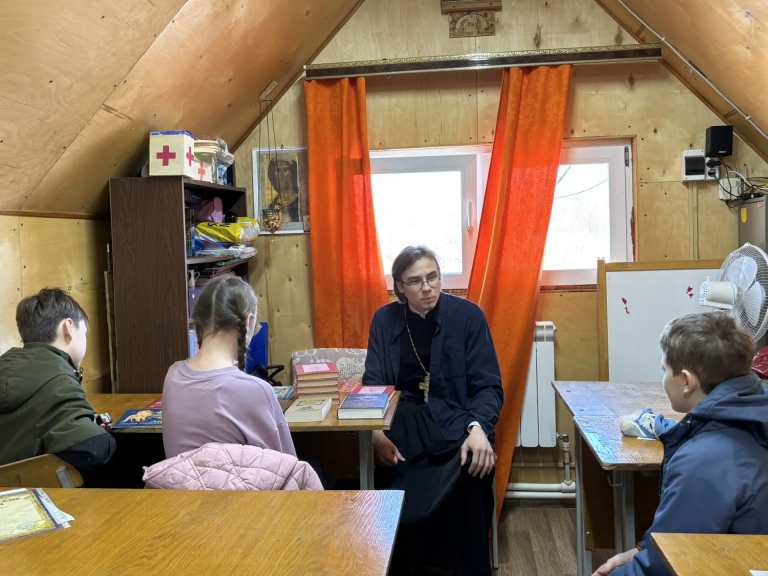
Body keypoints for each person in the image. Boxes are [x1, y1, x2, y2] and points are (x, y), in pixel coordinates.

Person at [363, 245, 504, 575]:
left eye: (433, 277)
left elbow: (488, 386)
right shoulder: (384, 319)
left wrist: (479, 429)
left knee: (474, 465)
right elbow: (373, 387)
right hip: (403, 424)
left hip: (458, 423)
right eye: (415, 281)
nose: (427, 287)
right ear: (400, 286)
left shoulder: (469, 316)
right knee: (394, 473)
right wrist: (376, 436)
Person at [594, 312, 768, 576]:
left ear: (686, 381)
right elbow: (690, 529)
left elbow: (670, 562)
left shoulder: (704, 459)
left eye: (664, 369)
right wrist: (641, 550)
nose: (663, 377)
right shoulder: (752, 418)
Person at [162, 276, 295, 459]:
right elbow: (288, 465)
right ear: (249, 322)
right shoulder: (257, 391)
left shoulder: (172, 375)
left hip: (180, 479)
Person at [0, 288, 115, 471]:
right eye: (84, 333)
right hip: (34, 487)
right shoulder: (60, 381)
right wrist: (96, 430)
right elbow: (93, 449)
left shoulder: (8, 367)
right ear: (68, 327)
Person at [268, 158, 300, 223]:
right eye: (278, 171)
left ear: (292, 173)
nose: (281, 175)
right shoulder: (272, 206)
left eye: (285, 170)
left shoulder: (300, 202)